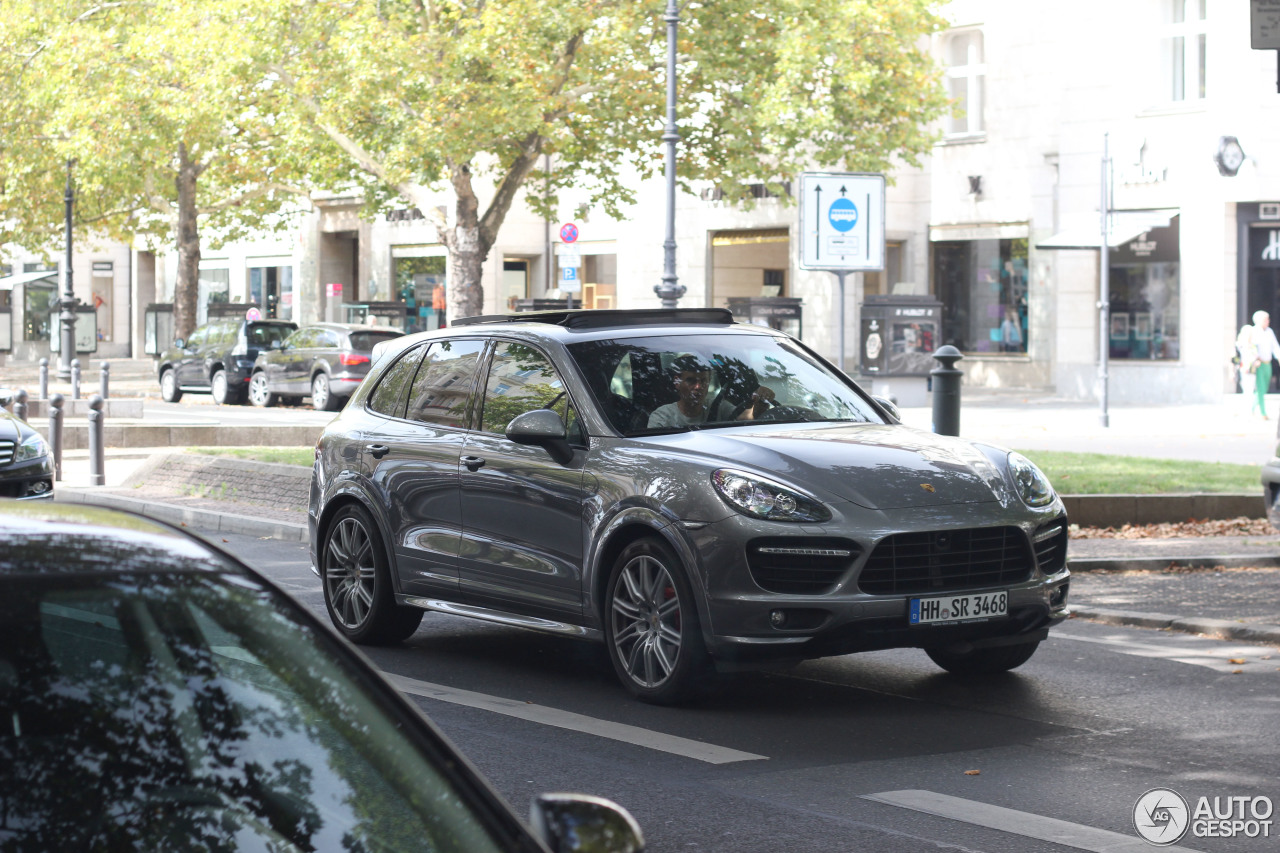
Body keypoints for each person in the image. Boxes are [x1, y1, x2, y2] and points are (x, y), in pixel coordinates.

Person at [647, 355, 774, 429]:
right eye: (691, 381)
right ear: (677, 382)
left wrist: (760, 404)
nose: (698, 387)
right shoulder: (662, 417)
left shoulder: (718, 407)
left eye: (703, 381)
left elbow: (746, 420)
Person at [1241, 310, 1280, 419]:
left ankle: (1252, 408)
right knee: (1260, 388)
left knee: (1265, 387)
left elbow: (1275, 347)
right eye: (1265, 319)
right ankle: (1263, 412)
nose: (1268, 321)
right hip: (1258, 364)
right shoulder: (1252, 331)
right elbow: (1249, 347)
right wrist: (1254, 359)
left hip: (1268, 363)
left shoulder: (1269, 332)